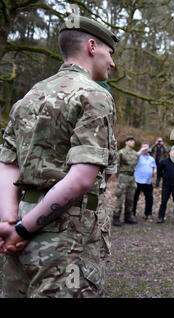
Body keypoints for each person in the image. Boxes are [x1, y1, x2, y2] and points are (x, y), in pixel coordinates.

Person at [0, 15, 118, 297]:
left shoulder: (29, 97)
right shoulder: (94, 96)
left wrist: (9, 222)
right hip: (67, 236)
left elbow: (7, 163)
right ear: (92, 46)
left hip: (20, 223)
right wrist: (24, 230)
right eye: (109, 53)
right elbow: (80, 179)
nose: (112, 63)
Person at [112, 136, 138, 226]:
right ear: (126, 142)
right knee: (120, 197)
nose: (133, 142)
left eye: (133, 141)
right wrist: (118, 176)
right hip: (123, 176)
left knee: (130, 197)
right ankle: (116, 217)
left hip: (132, 177)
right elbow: (117, 166)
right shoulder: (121, 152)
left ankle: (128, 216)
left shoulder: (135, 153)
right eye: (131, 141)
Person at [157, 146, 174, 223]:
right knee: (163, 202)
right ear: (169, 153)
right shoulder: (164, 162)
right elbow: (159, 172)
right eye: (172, 151)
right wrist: (165, 177)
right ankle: (161, 217)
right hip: (166, 185)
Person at [133, 143, 157, 221]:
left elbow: (154, 167)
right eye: (144, 147)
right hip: (138, 181)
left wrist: (154, 171)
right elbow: (134, 156)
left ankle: (148, 214)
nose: (145, 149)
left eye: (147, 147)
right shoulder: (138, 157)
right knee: (134, 198)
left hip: (148, 181)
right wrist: (141, 150)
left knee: (149, 198)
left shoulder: (151, 158)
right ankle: (132, 214)